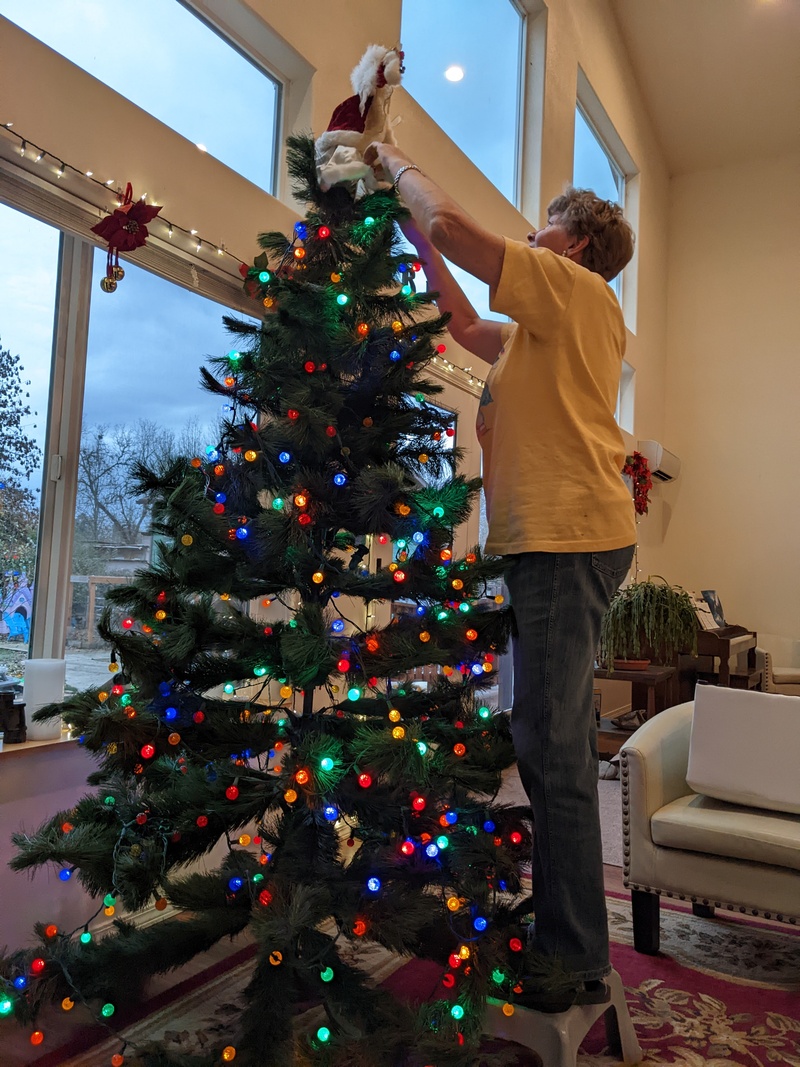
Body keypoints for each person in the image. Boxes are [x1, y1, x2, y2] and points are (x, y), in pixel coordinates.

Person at [364, 141, 637, 1012]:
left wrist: (391, 157)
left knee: (552, 749)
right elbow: (461, 320)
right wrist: (415, 236)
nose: (531, 231)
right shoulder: (541, 329)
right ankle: (572, 935)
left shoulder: (576, 290)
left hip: (565, 539)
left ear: (580, 244)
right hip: (549, 542)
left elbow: (458, 226)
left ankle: (572, 954)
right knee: (543, 738)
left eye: (545, 224)